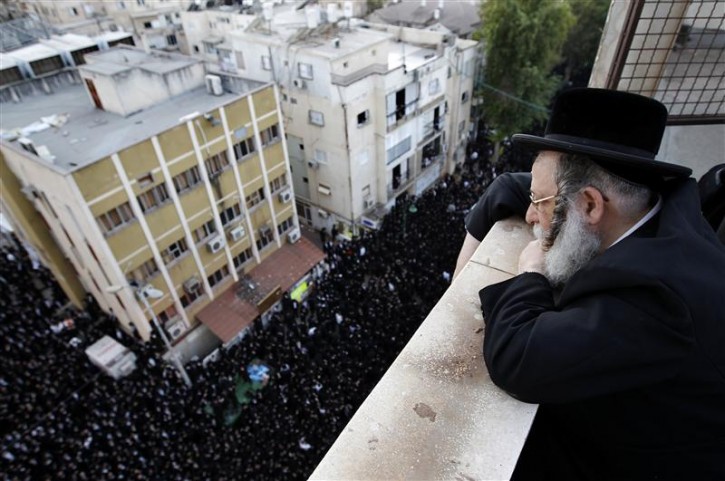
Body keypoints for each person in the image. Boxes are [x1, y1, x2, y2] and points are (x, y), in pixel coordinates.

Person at [473, 88, 725, 480]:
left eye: (539, 202)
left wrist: (531, 272)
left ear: (590, 205)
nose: (529, 215)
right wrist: (511, 198)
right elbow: (528, 185)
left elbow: (517, 360)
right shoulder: (654, 205)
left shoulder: (657, 299)